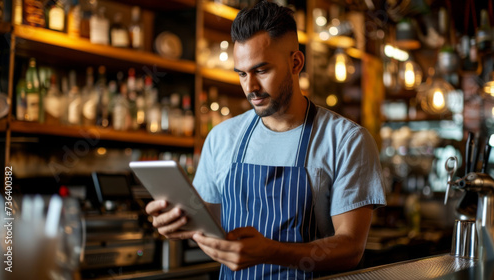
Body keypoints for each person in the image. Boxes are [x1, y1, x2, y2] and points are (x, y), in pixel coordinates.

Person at [146, 1, 386, 278]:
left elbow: (351, 248)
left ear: (296, 62)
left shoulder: (346, 140)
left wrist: (272, 252)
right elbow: (208, 227)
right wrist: (177, 222)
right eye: (242, 74)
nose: (251, 88)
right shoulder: (222, 138)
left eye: (261, 71)